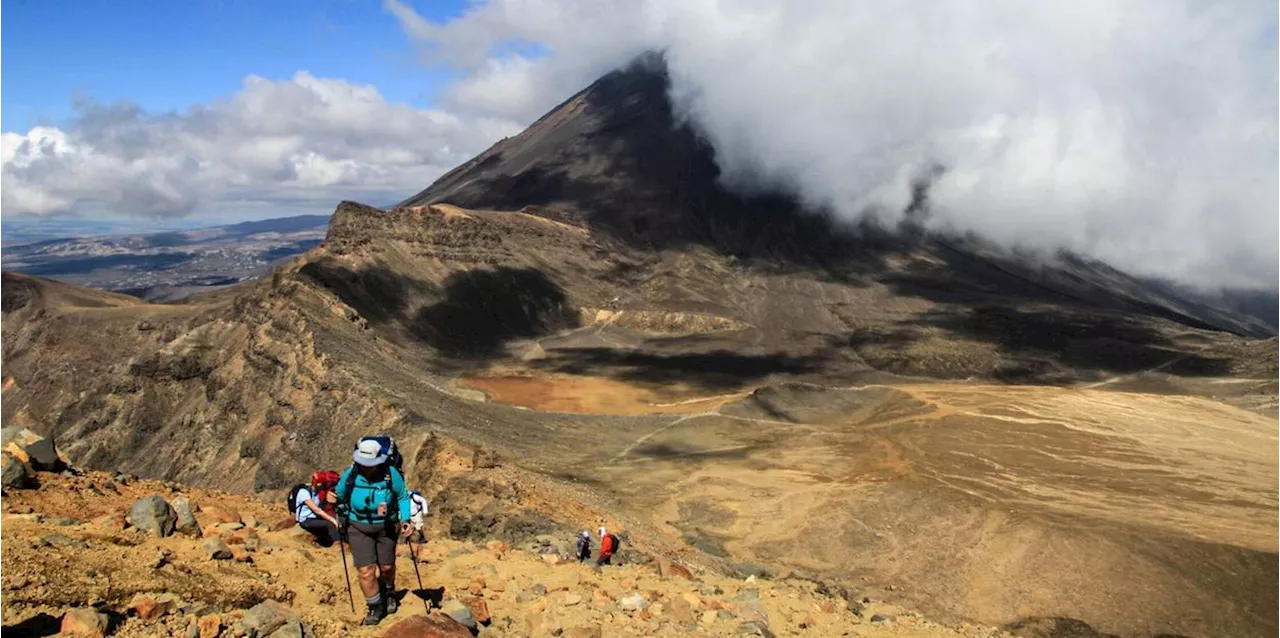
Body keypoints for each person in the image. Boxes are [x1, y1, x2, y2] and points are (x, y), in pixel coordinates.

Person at [336, 439, 413, 626]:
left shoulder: (390, 474)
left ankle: (388, 591)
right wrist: (335, 501)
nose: (367, 468)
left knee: (386, 567)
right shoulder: (351, 474)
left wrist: (406, 519)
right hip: (358, 526)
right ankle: (375, 606)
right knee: (365, 570)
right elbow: (339, 493)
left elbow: (402, 496)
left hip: (386, 526)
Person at [295, 471, 341, 546]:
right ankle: (337, 545)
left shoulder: (318, 491)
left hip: (315, 517)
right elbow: (316, 510)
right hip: (306, 519)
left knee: (335, 520)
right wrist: (332, 520)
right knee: (329, 524)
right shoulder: (304, 492)